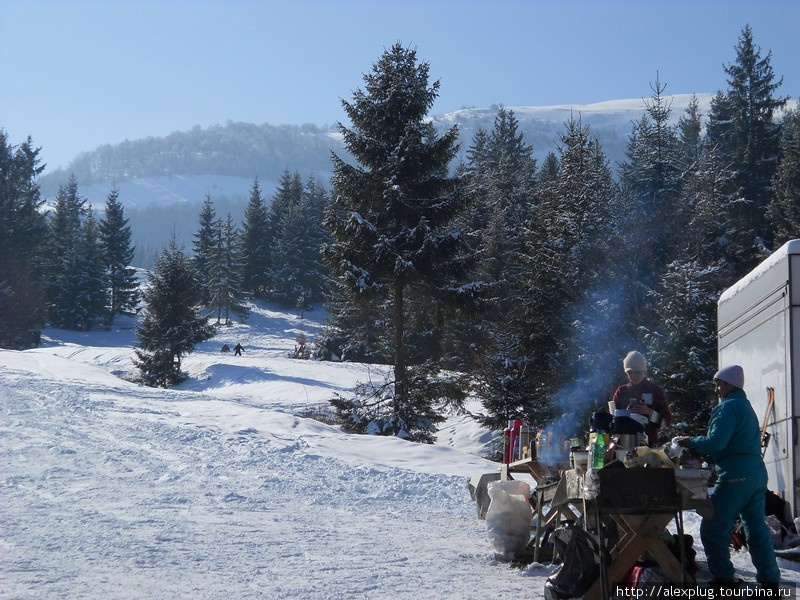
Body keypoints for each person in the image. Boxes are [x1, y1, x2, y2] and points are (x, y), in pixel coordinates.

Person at [674, 365, 781, 586]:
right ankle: (770, 581)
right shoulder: (745, 406)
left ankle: (723, 578)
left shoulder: (727, 408)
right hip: (756, 474)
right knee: (756, 529)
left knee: (713, 527)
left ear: (731, 384)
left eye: (719, 384)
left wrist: (689, 441)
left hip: (735, 476)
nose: (716, 389)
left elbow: (717, 442)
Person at [610, 350, 671, 446]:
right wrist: (626, 414)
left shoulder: (656, 391)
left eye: (637, 372)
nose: (634, 376)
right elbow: (612, 421)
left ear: (643, 371)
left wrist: (649, 412)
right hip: (624, 443)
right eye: (630, 372)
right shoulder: (622, 391)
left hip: (650, 444)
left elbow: (666, 422)